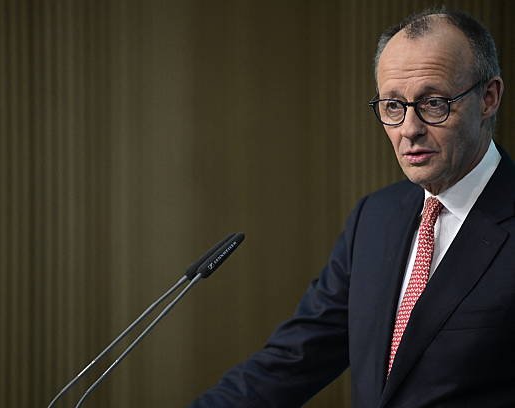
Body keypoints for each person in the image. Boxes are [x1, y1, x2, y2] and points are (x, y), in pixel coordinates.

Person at [190, 7, 514, 408]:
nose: (409, 129)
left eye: (433, 103)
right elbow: (293, 360)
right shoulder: (374, 218)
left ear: (488, 98)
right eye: (393, 106)